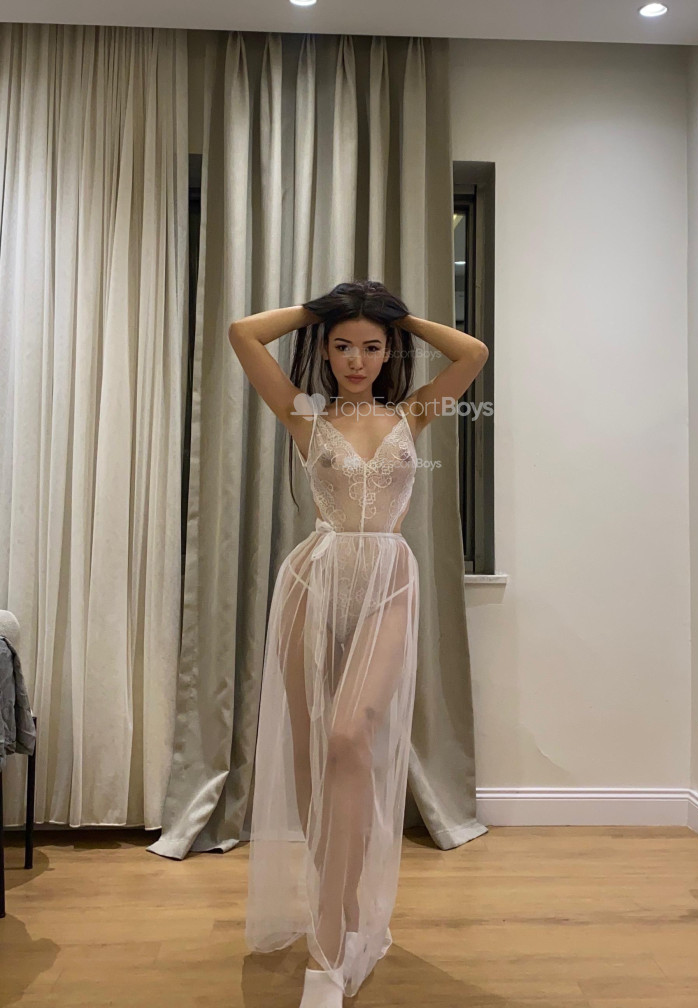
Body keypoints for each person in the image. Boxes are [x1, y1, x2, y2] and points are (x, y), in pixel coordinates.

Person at [229, 280, 489, 1007]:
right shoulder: (304, 416)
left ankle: (332, 937)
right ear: (323, 349)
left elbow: (472, 352)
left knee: (350, 739)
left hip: (388, 580)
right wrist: (321, 310)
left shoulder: (412, 413)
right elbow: (244, 333)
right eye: (341, 345)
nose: (355, 359)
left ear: (388, 352)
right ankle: (337, 912)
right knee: (314, 759)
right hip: (314, 580)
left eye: (371, 347)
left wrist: (395, 314)